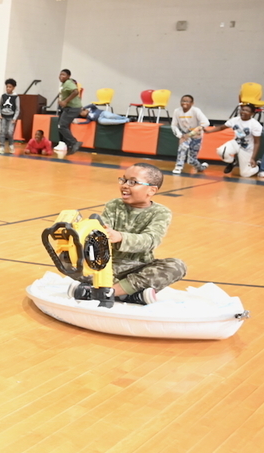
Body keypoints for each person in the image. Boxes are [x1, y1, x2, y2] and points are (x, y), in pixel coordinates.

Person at [69, 163, 186, 306]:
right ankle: (130, 295)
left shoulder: (161, 212)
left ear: (151, 190)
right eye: (123, 180)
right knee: (71, 259)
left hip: (140, 267)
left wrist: (120, 237)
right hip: (109, 266)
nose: (125, 185)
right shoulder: (114, 205)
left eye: (132, 182)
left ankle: (106, 292)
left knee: (177, 266)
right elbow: (101, 230)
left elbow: (151, 239)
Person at [208, 104, 262, 177]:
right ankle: (232, 162)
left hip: (247, 147)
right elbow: (221, 127)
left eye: (247, 111)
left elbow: (256, 143)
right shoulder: (235, 120)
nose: (244, 112)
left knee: (245, 174)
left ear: (252, 113)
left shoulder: (255, 125)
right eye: (242, 110)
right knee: (221, 151)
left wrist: (253, 158)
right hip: (236, 143)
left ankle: (257, 165)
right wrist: (209, 131)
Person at [170, 94, 210, 175]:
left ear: (192, 103)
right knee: (182, 147)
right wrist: (179, 135)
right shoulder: (177, 111)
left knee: (191, 160)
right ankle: (178, 166)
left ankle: (201, 167)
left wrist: (192, 133)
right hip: (184, 135)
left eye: (187, 101)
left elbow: (206, 122)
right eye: (183, 101)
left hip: (196, 135)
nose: (184, 103)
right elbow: (173, 125)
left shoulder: (196, 111)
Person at [56, 69, 82, 154]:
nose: (61, 76)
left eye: (63, 75)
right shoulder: (64, 84)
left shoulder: (68, 82)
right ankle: (70, 145)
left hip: (73, 108)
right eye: (60, 75)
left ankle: (74, 142)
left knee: (62, 126)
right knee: (62, 126)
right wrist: (61, 101)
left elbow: (75, 91)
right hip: (68, 108)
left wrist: (65, 101)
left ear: (68, 76)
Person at [0, 78, 19, 154]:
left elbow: (17, 109)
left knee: (10, 132)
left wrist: (15, 118)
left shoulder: (16, 97)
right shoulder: (3, 96)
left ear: (13, 88)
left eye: (10, 87)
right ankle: (1, 146)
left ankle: (11, 145)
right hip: (3, 116)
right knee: (2, 131)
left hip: (11, 117)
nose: (8, 88)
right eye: (7, 87)